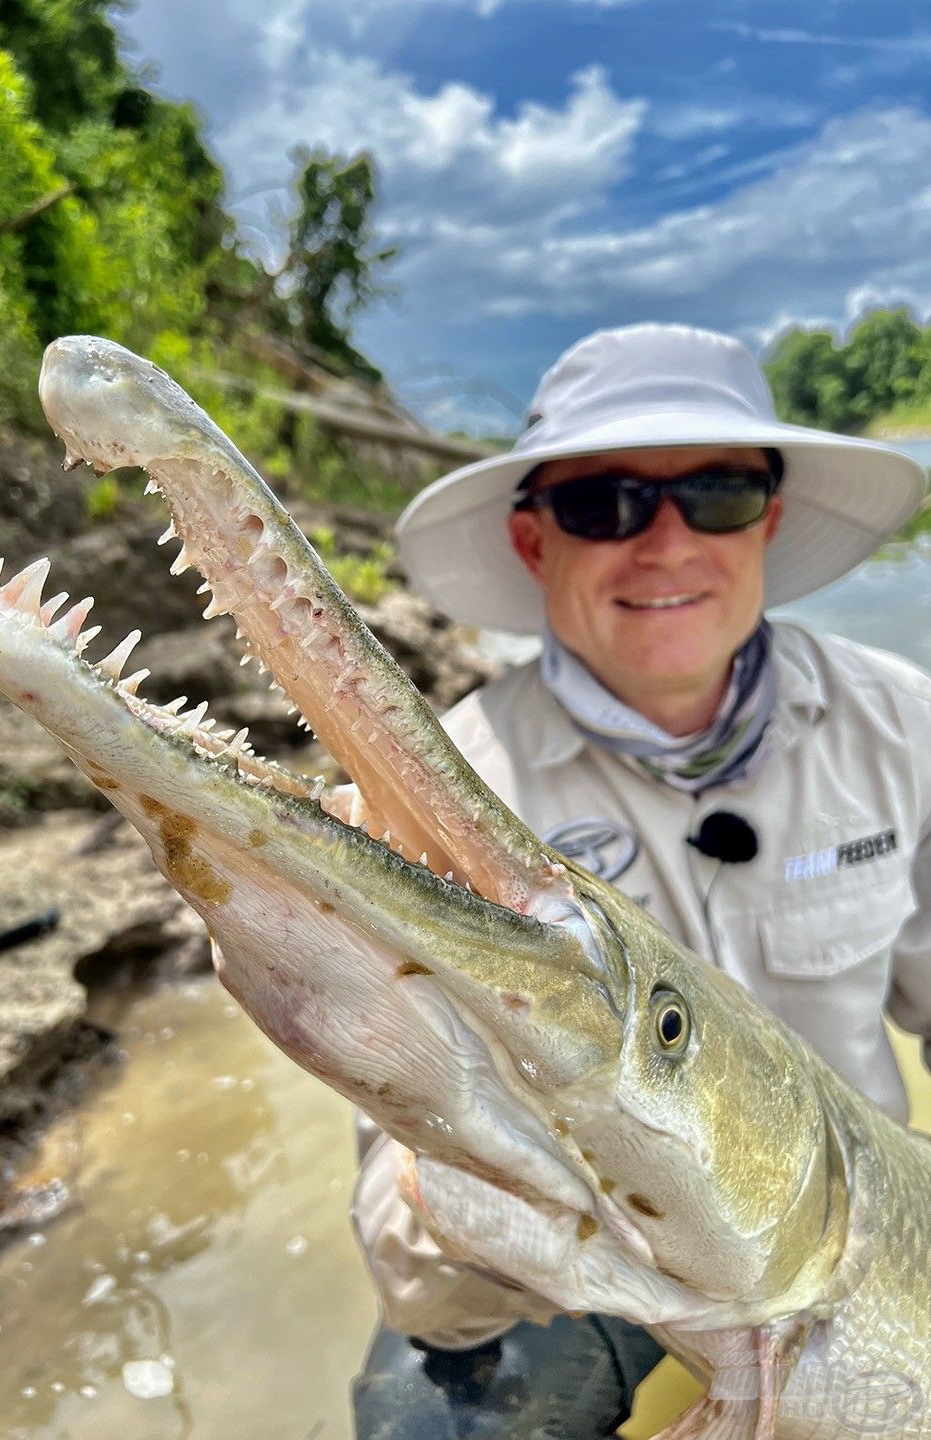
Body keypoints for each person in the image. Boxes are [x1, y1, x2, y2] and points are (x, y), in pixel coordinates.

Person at [350, 322, 931, 1439]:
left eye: (713, 493)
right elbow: (412, 1259)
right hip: (590, 1257)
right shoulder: (442, 790)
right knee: (432, 1420)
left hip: (851, 1234)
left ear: (769, 517)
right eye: (604, 504)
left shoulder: (901, 725)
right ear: (533, 540)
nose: (665, 545)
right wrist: (475, 1207)